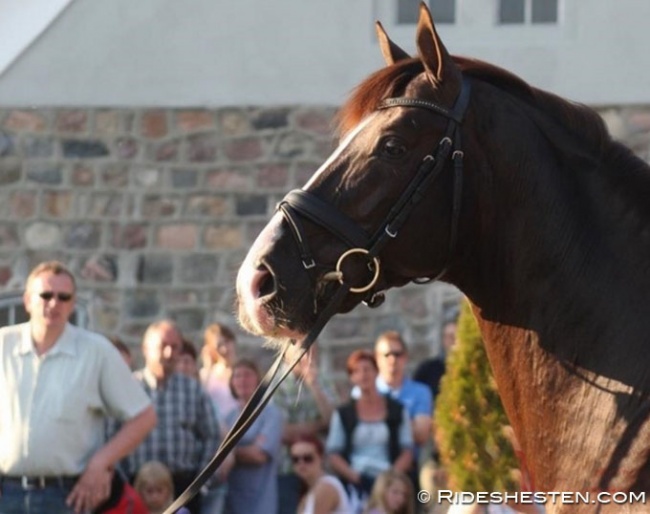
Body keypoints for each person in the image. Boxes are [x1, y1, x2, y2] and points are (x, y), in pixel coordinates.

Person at [0, 260, 156, 514]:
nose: (54, 303)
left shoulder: (96, 351)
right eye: (46, 295)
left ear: (73, 304)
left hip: (68, 496)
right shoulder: (2, 345)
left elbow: (144, 416)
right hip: (5, 493)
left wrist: (101, 463)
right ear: (27, 300)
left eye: (64, 297)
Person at [113, 319, 221, 514]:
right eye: (163, 346)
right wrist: (122, 483)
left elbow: (211, 437)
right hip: (136, 488)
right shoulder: (127, 388)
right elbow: (110, 435)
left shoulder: (193, 390)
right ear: (146, 348)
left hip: (183, 489)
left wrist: (200, 482)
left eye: (175, 347)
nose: (169, 353)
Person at [326, 350, 413, 507]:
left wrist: (389, 478)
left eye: (367, 369)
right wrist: (354, 476)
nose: (363, 375)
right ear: (351, 377)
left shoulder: (397, 409)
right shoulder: (343, 413)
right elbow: (333, 453)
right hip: (355, 481)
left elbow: (407, 449)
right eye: (356, 371)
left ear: (376, 371)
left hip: (389, 480)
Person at [274, 343, 336, 514]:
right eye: (302, 348)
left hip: (320, 468)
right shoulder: (277, 385)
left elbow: (332, 421)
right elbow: (283, 432)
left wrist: (314, 386)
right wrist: (318, 425)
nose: (307, 353)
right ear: (287, 353)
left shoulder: (323, 381)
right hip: (289, 468)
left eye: (311, 347)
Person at [223, 358, 283, 514]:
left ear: (258, 380)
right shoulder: (228, 418)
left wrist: (230, 452)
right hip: (231, 501)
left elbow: (259, 456)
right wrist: (245, 449)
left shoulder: (270, 414)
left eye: (248, 375)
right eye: (237, 376)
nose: (243, 380)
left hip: (261, 502)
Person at [290, 434, 351, 514]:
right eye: (295, 459)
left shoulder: (326, 487)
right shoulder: (309, 492)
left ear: (321, 458)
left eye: (308, 458)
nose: (301, 464)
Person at [199, 323, 239, 423]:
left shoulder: (244, 371)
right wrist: (208, 366)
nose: (224, 349)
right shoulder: (205, 375)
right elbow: (200, 399)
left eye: (227, 342)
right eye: (219, 345)